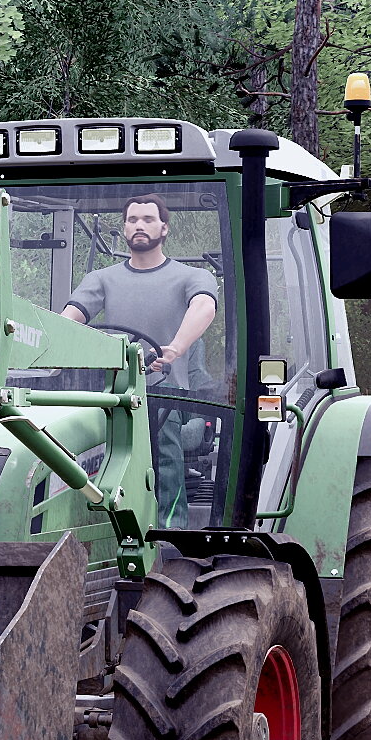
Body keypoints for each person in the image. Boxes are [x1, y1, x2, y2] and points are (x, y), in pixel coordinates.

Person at [60, 195, 220, 526]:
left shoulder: (192, 276)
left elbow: (204, 306)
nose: (139, 226)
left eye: (148, 219)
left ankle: (169, 532)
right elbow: (68, 321)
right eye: (132, 220)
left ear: (164, 228)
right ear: (125, 227)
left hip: (163, 392)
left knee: (164, 461)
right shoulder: (102, 279)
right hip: (110, 395)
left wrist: (174, 348)